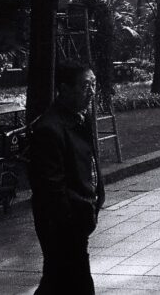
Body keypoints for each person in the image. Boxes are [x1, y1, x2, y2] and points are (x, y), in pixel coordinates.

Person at [29, 66, 105, 295]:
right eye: (84, 86)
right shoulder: (49, 129)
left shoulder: (79, 119)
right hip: (62, 225)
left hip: (76, 219)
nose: (91, 91)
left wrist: (96, 199)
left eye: (93, 84)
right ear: (64, 89)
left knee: (56, 281)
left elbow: (89, 162)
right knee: (74, 283)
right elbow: (51, 189)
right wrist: (74, 219)